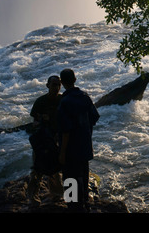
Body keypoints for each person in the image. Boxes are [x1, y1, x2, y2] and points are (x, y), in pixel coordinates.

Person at [58, 69, 100, 212]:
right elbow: (94, 117)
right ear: (75, 79)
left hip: (70, 149)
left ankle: (72, 207)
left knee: (70, 179)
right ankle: (85, 204)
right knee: (83, 176)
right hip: (85, 145)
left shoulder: (64, 102)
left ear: (62, 82)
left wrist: (62, 153)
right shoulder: (85, 97)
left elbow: (65, 130)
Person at [27, 75, 64, 206]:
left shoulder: (62, 99)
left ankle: (57, 195)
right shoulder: (40, 102)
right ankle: (33, 198)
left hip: (56, 139)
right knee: (37, 169)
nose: (57, 87)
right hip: (42, 140)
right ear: (47, 86)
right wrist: (42, 120)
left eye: (59, 85)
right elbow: (34, 122)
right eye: (54, 84)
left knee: (55, 169)